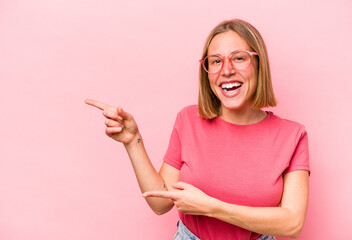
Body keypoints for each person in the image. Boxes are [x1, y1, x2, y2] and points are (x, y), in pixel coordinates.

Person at [85, 19, 310, 240]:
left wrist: (211, 207)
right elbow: (160, 203)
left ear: (259, 64)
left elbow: (292, 224)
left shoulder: (292, 135)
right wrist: (132, 140)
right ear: (207, 71)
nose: (227, 70)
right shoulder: (188, 120)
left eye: (239, 58)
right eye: (215, 61)